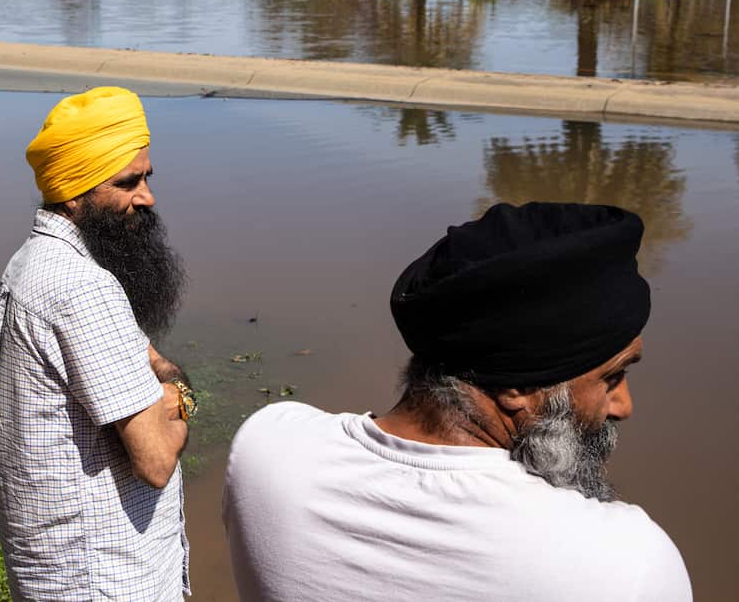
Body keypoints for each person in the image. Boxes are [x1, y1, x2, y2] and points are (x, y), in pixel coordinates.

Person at [223, 202, 691, 602]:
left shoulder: (269, 451)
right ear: (519, 387)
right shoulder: (623, 566)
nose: (622, 405)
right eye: (613, 376)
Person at [0, 86, 195, 601]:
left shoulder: (33, 261)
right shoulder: (83, 287)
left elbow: (144, 354)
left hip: (62, 570)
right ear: (75, 193)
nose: (146, 196)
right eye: (127, 183)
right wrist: (181, 395)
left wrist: (160, 383)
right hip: (105, 578)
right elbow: (156, 459)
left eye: (147, 177)